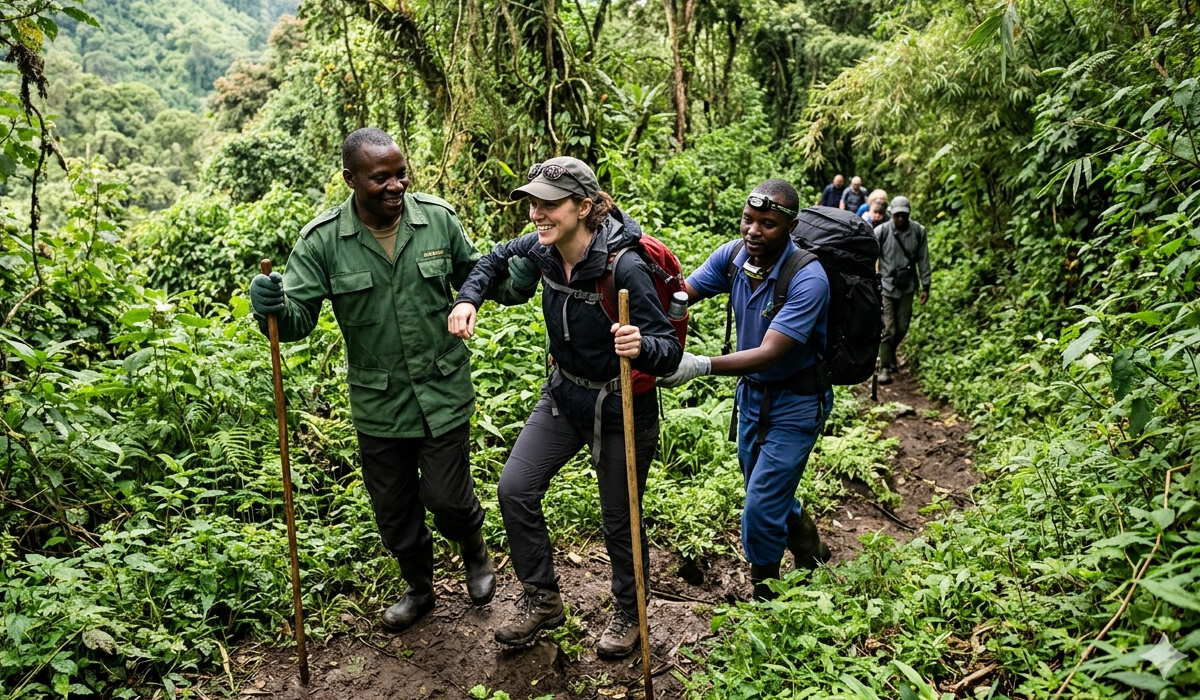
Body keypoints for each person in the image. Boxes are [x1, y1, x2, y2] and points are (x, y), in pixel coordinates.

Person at [248, 128, 496, 632]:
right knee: (394, 513)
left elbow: (477, 274)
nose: (395, 185)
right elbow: (297, 320)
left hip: (442, 390)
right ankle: (421, 589)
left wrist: (518, 270)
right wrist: (270, 308)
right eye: (380, 177)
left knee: (448, 499)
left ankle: (473, 549)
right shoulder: (323, 241)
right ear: (351, 179)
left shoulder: (437, 221)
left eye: (400, 174)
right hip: (379, 405)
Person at [449, 157, 682, 657]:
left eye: (549, 204)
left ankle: (629, 609)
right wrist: (469, 299)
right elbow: (493, 259)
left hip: (622, 405)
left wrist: (641, 346)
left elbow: (670, 350)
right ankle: (542, 598)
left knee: (620, 518)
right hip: (563, 393)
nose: (537, 213)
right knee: (515, 487)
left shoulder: (627, 266)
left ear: (584, 207)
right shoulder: (543, 249)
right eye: (533, 203)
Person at [657, 179, 832, 601]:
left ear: (789, 227)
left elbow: (771, 351)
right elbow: (685, 292)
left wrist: (699, 365)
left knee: (759, 505)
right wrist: (658, 318)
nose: (753, 231)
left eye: (768, 224)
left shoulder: (808, 279)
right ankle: (815, 554)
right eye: (748, 220)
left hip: (797, 402)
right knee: (766, 492)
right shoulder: (734, 258)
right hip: (752, 399)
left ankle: (765, 597)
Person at [874, 196, 931, 384]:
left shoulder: (918, 232)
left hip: (907, 287)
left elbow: (923, 259)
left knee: (902, 327)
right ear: (891, 214)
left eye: (903, 215)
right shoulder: (881, 231)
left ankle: (890, 353)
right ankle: (885, 368)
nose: (899, 219)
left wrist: (926, 285)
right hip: (887, 287)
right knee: (888, 329)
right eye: (896, 215)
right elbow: (868, 253)